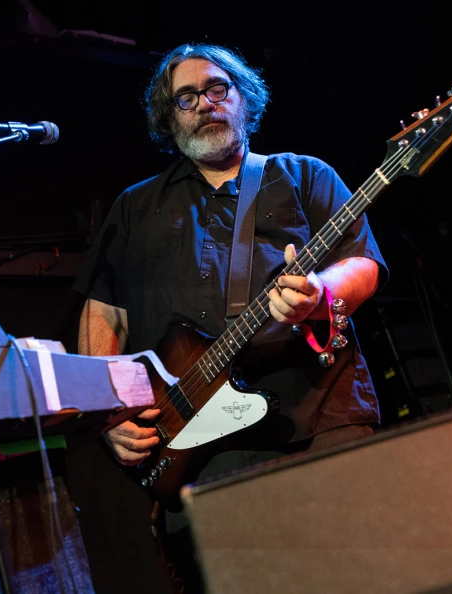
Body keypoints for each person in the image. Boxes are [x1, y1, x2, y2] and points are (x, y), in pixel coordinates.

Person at [71, 42, 388, 593]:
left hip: (317, 423)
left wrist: (318, 296)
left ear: (244, 99)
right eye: (186, 97)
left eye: (219, 88)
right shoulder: (134, 207)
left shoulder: (302, 175)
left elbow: (361, 262)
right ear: (169, 119)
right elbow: (105, 313)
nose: (205, 103)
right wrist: (107, 414)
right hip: (196, 458)